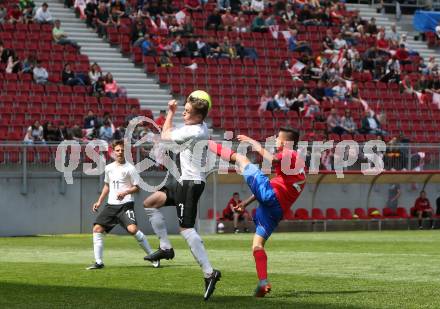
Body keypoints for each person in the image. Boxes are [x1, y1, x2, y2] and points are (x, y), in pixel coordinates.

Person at [208, 127, 306, 297]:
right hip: (276, 209)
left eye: (277, 138)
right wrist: (245, 203)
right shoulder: (294, 166)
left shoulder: (290, 154)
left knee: (241, 158)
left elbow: (273, 160)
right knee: (257, 246)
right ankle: (263, 282)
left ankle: (205, 142)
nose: (275, 140)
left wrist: (252, 141)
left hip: (271, 199)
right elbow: (274, 183)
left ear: (284, 142)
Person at [142, 94, 221, 301]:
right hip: (183, 181)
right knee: (150, 203)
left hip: (190, 183)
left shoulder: (193, 131)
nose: (184, 113)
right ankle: (166, 248)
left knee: (186, 228)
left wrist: (171, 111)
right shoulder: (199, 127)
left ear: (198, 116)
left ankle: (209, 272)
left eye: (187, 111)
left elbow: (165, 133)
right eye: (183, 110)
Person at [87, 140, 159, 270]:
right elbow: (107, 186)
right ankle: (98, 262)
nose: (120, 152)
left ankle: (152, 256)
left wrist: (126, 192)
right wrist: (99, 201)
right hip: (111, 206)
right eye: (117, 150)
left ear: (125, 152)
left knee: (132, 230)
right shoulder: (109, 168)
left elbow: (137, 188)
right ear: (113, 152)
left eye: (122, 150)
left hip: (125, 205)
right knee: (97, 229)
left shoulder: (130, 169)